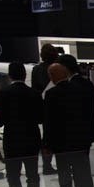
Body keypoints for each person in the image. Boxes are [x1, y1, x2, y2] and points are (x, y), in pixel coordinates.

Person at [43, 56, 94, 187]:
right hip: (81, 139)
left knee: (64, 175)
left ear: (52, 76)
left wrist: (47, 144)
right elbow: (91, 112)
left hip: (62, 143)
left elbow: (49, 122)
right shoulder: (81, 89)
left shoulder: (52, 94)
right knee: (83, 172)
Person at [0, 61, 43, 187]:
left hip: (12, 139)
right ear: (25, 74)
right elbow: (41, 118)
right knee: (32, 174)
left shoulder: (4, 93)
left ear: (10, 75)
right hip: (32, 138)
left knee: (13, 175)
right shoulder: (34, 93)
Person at [30, 42, 59, 175]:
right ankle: (60, 163)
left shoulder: (36, 69)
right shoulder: (58, 68)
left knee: (47, 137)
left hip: (43, 107)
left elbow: (35, 90)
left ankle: (47, 165)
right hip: (57, 106)